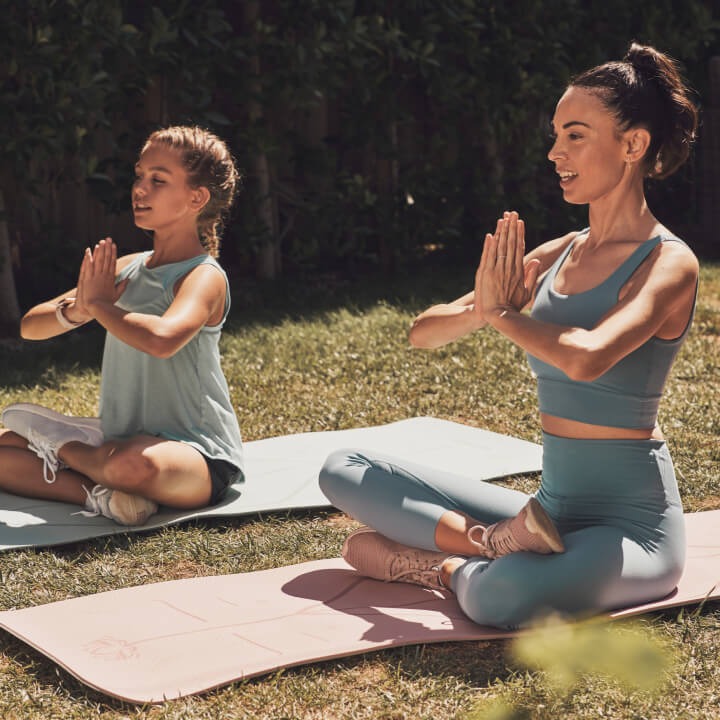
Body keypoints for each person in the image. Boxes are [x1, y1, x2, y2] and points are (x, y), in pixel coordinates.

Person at [319, 43, 699, 629]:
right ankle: (487, 541)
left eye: (575, 135)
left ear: (633, 144)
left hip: (633, 528)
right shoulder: (557, 254)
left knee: (500, 599)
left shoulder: (669, 263)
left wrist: (502, 317)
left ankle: (438, 568)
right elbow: (423, 333)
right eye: (556, 135)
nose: (555, 152)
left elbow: (588, 358)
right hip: (547, 511)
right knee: (342, 467)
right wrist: (484, 308)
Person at [0, 125, 244, 526]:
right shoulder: (126, 268)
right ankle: (100, 496)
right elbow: (31, 327)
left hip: (196, 455)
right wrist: (79, 311)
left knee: (135, 467)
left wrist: (99, 306)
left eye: (158, 180)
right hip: (117, 442)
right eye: (139, 176)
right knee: (4, 451)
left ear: (196, 198)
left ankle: (62, 445)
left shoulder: (203, 276)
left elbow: (163, 339)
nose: (140, 189)